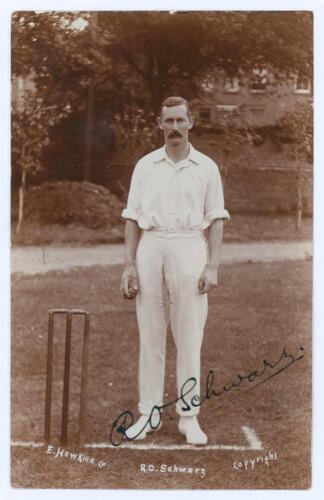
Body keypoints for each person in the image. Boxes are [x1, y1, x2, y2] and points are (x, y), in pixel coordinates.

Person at [120, 96, 230, 445]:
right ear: (160, 124)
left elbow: (215, 220)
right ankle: (148, 413)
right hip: (151, 247)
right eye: (168, 122)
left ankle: (189, 417)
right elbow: (132, 219)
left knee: (188, 337)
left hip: (188, 247)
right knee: (151, 335)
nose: (175, 128)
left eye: (180, 121)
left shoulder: (206, 167)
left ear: (191, 122)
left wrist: (212, 265)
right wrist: (129, 265)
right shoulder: (145, 166)